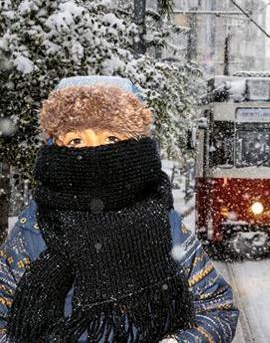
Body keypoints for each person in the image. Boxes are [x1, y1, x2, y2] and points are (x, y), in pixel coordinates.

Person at [0, 76, 239, 342]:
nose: (94, 152)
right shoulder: (32, 229)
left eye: (111, 139)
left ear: (134, 144)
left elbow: (217, 308)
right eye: (76, 141)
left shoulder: (162, 222)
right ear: (54, 147)